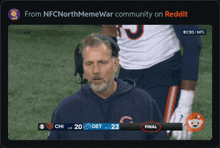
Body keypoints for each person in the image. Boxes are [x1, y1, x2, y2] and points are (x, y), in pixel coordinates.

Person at [47, 33, 169, 140]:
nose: (95, 71)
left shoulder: (143, 103)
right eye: (89, 64)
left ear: (115, 64)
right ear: (82, 67)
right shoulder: (66, 109)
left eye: (102, 62)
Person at [101, 25, 202, 140]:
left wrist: (185, 105)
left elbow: (192, 42)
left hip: (162, 75)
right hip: (126, 76)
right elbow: (111, 33)